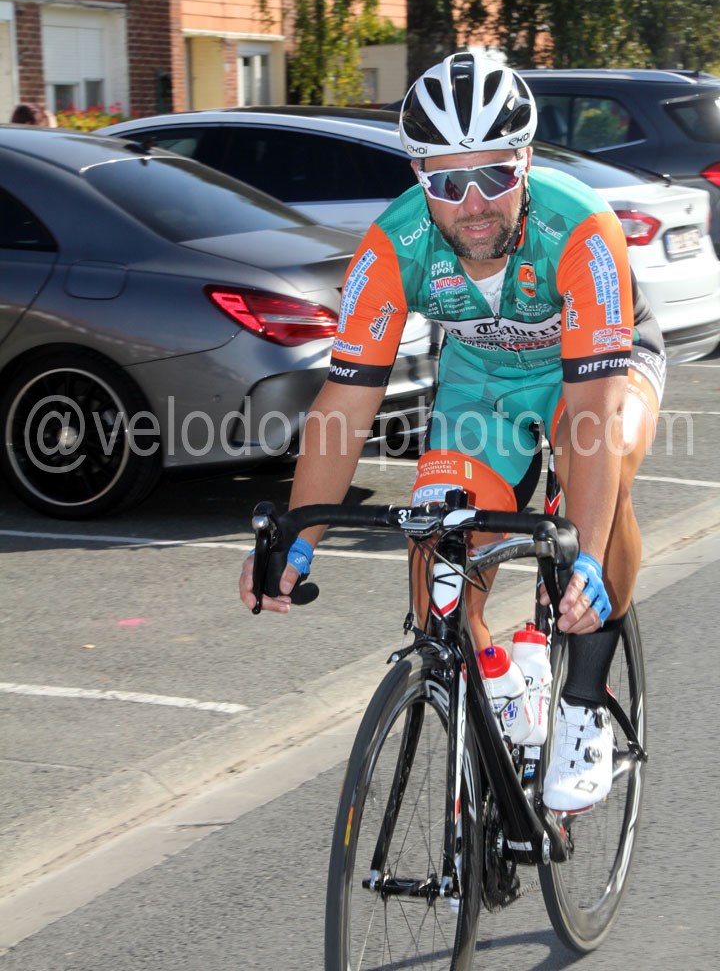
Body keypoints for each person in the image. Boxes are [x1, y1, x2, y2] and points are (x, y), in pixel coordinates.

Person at [239, 52, 665, 812]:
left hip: (598, 372)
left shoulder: (581, 228)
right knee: (437, 555)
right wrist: (298, 536)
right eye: (447, 181)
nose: (473, 204)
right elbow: (344, 406)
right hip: (482, 382)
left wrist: (588, 557)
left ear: (525, 162)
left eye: (495, 175)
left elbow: (593, 416)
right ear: (418, 177)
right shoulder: (392, 245)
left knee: (599, 479)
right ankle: (499, 685)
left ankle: (582, 704)